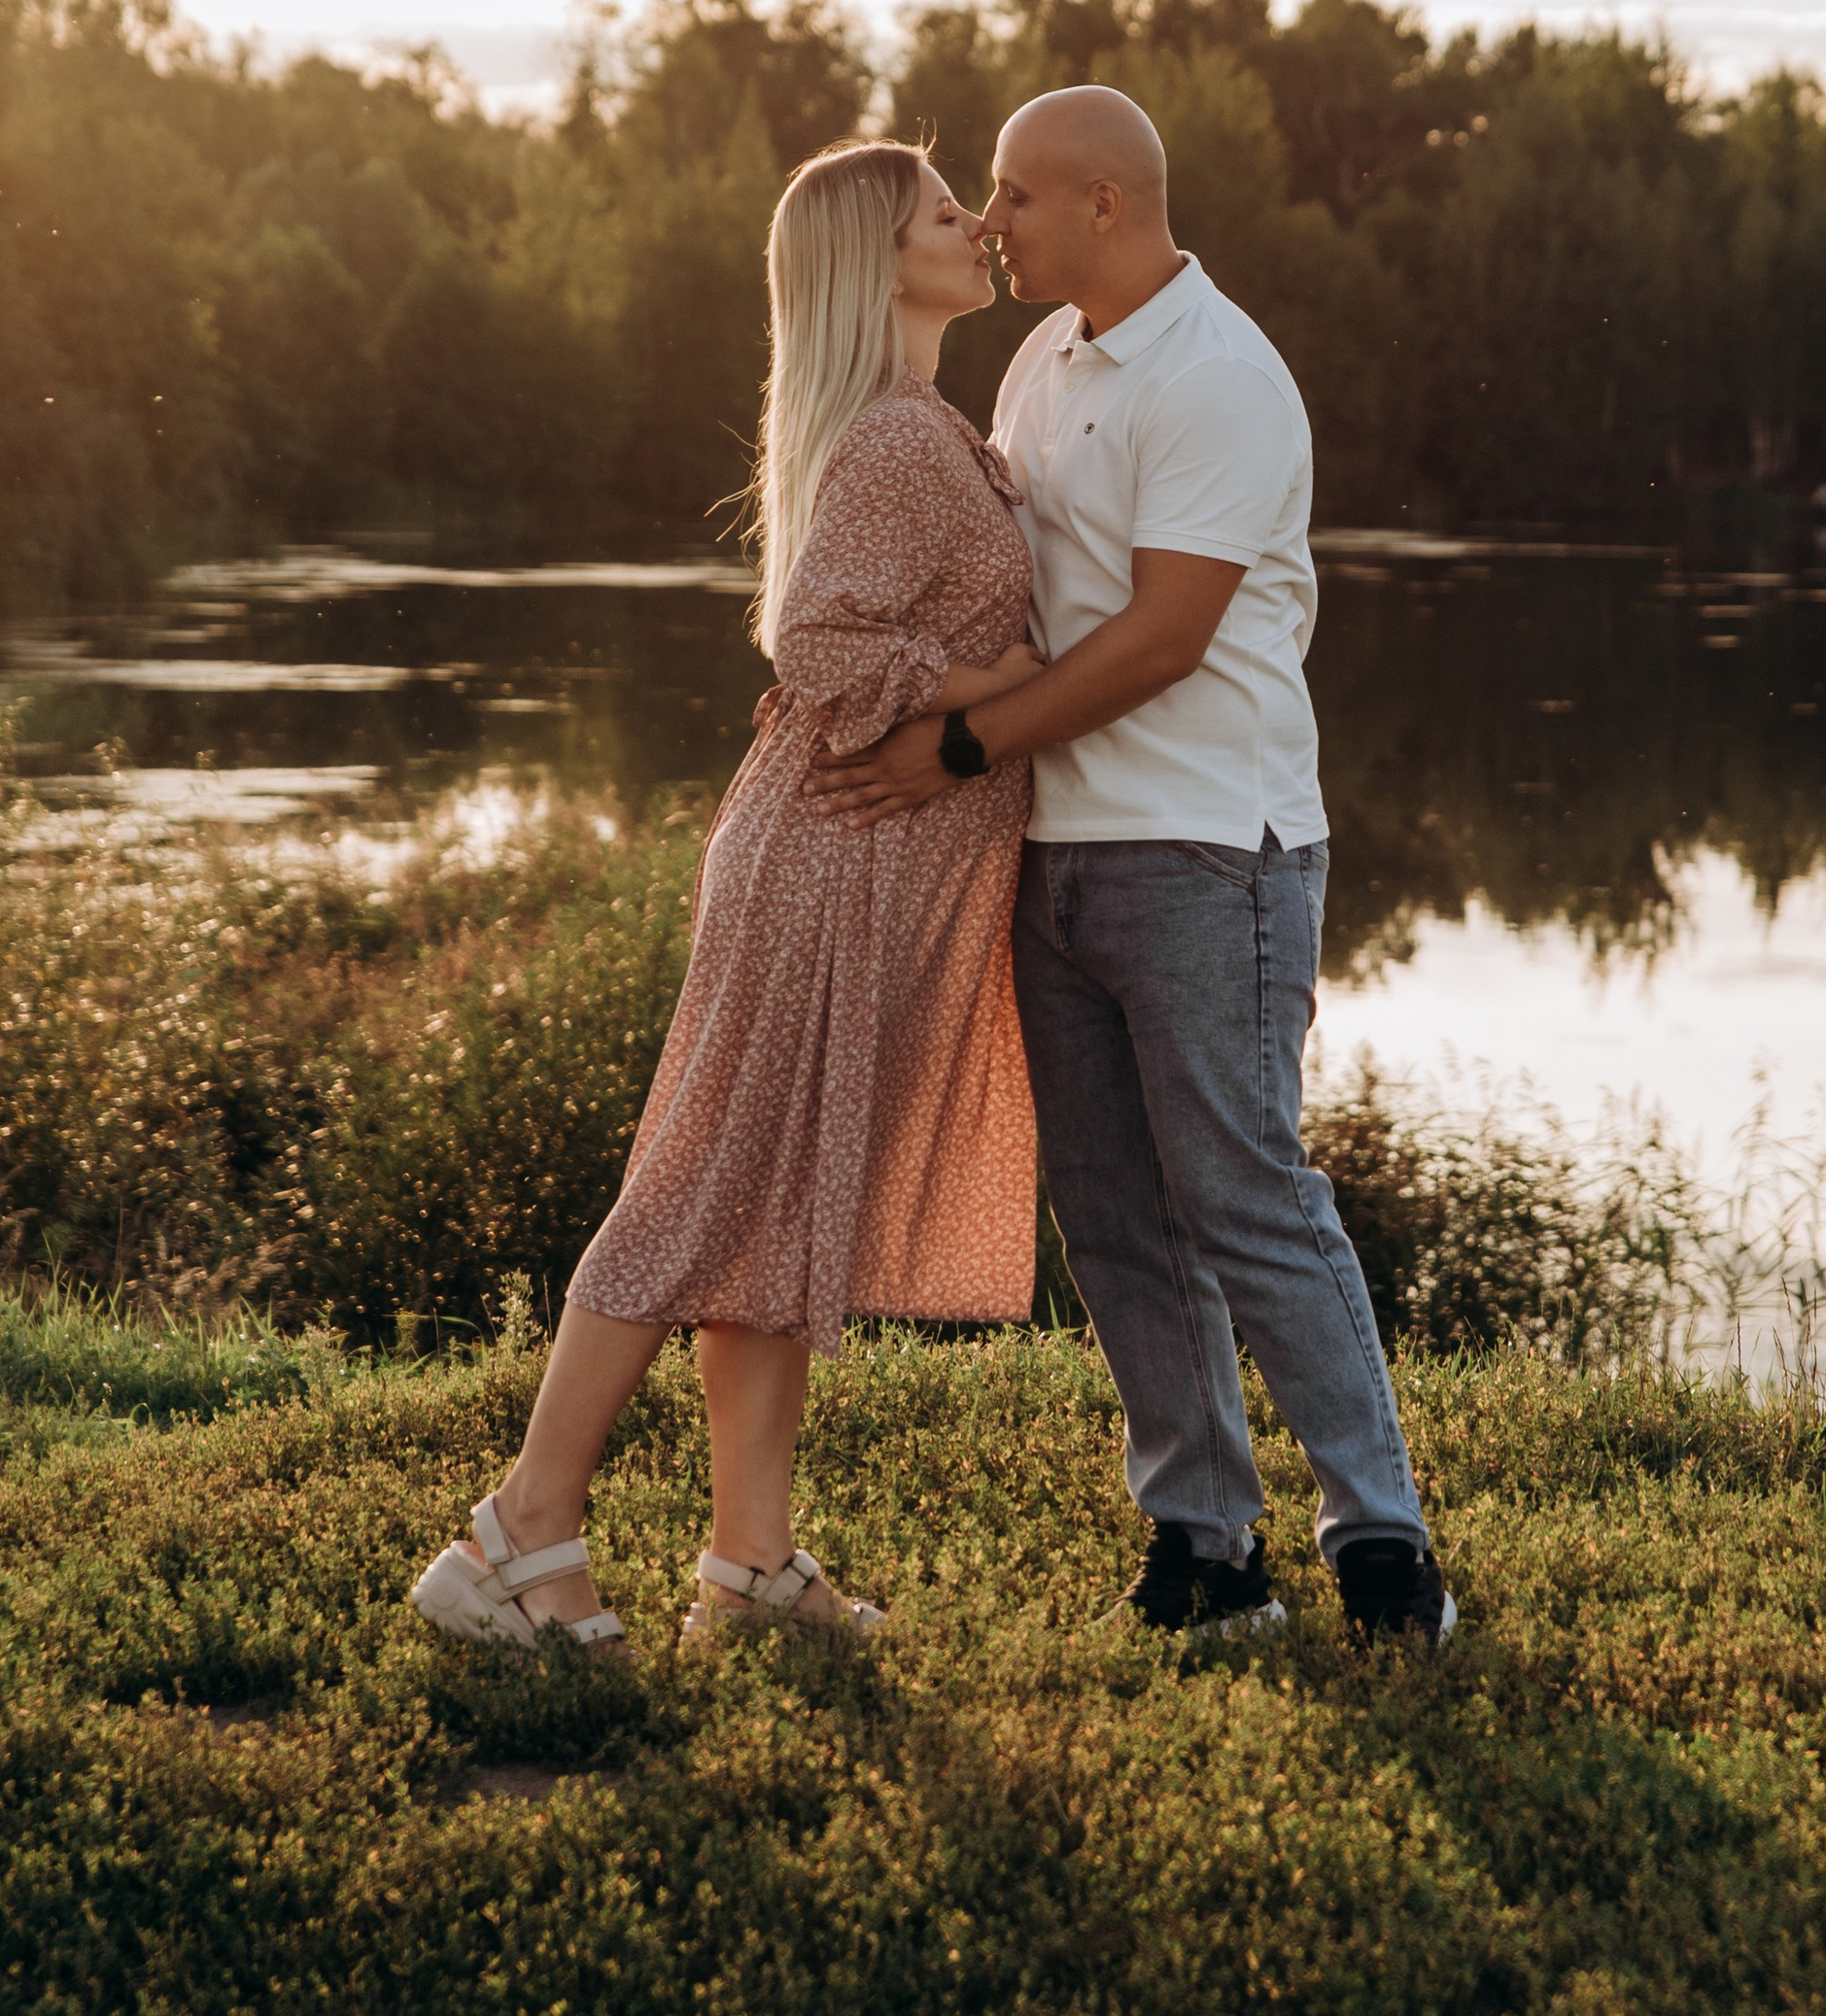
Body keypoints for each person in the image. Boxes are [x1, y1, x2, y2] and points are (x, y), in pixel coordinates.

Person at [809, 85, 1454, 1649]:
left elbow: (1166, 637)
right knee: (1110, 1210)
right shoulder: (1041, 361)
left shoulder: (1225, 377)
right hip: (1060, 850)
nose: (990, 223)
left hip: (1208, 850)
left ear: (1105, 204)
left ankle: (1384, 1551)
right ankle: (1205, 1547)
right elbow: (1012, 597)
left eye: (1017, 197)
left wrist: (960, 748)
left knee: (1245, 1197)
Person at [411, 141, 1044, 1656]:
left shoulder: (918, 422)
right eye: (946, 216)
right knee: (702, 1192)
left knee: (779, 1206)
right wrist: (996, 685)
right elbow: (818, 647)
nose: (978, 232)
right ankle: (517, 1534)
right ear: (879, 262)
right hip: (829, 861)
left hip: (861, 864)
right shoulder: (897, 442)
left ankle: (750, 1570)